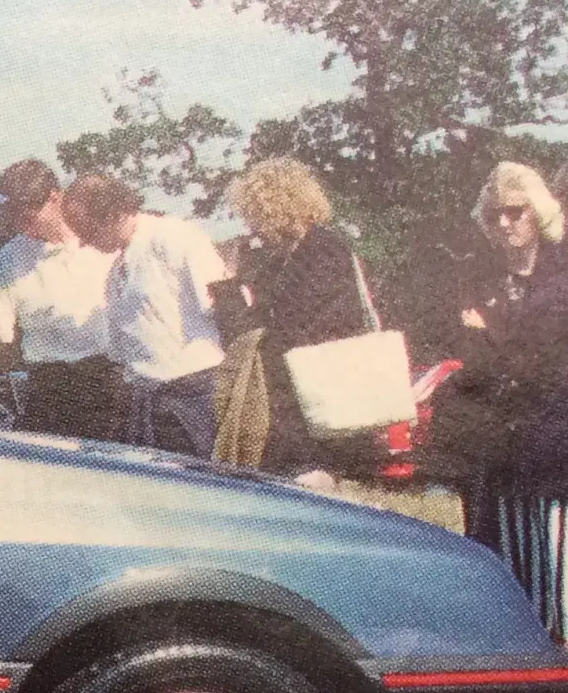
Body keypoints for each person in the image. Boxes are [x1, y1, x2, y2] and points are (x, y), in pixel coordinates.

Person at [436, 162, 568, 650]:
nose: (504, 223)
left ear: (538, 211)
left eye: (514, 211)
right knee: (523, 599)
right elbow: (472, 362)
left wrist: (492, 336)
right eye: (494, 215)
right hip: (506, 457)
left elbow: (554, 358)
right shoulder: (481, 280)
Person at [221, 158, 374, 481]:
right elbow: (251, 330)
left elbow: (288, 329)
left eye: (254, 214)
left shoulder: (323, 250)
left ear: (277, 207)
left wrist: (230, 286)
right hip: (298, 402)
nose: (252, 226)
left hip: (318, 398)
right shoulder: (283, 259)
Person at [61, 173, 227, 458]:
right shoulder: (114, 272)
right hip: (146, 401)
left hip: (195, 394)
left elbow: (223, 307)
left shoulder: (174, 236)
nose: (83, 243)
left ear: (112, 213)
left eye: (86, 231)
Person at [0, 159, 117, 437]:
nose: (20, 225)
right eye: (13, 216)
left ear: (54, 197)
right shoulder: (7, 262)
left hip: (112, 386)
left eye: (27, 216)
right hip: (48, 391)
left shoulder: (106, 243)